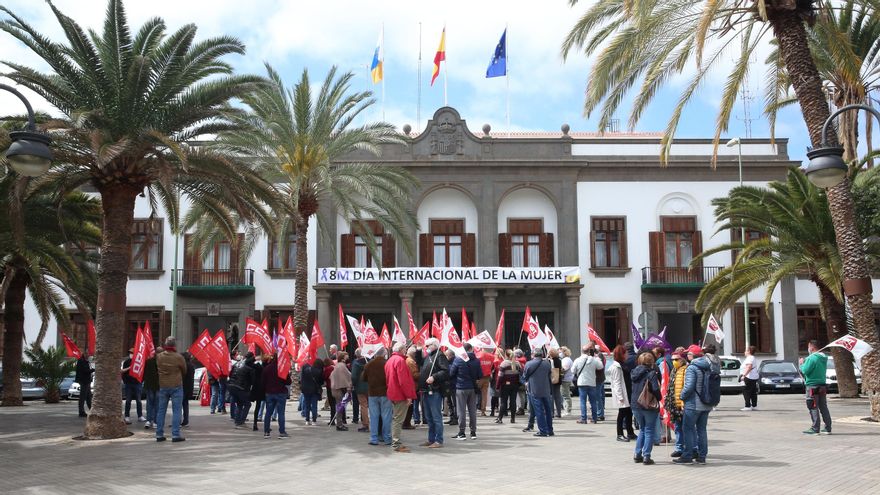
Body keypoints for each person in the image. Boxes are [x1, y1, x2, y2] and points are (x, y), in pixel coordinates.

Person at [676, 344, 721, 464]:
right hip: (707, 403)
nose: (686, 355)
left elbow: (689, 386)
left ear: (693, 355)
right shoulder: (709, 366)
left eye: (688, 354)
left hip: (693, 403)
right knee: (702, 430)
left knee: (688, 429)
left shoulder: (692, 367)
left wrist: (681, 396)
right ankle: (702, 457)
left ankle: (688, 455)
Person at [386, 343, 417, 452]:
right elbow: (403, 381)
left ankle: (396, 442)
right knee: (398, 420)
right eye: (404, 349)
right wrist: (408, 396)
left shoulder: (390, 360)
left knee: (396, 419)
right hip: (400, 394)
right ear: (401, 350)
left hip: (393, 393)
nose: (405, 350)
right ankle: (396, 444)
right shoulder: (400, 361)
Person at [418, 338, 449, 448]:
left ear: (435, 345)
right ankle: (431, 439)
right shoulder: (428, 356)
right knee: (429, 417)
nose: (426, 348)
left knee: (436, 417)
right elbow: (419, 362)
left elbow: (445, 371)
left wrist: (434, 377)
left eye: (428, 345)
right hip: (426, 390)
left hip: (434, 390)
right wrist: (418, 350)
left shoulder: (439, 355)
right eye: (425, 346)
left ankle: (438, 440)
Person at [155, 337, 187, 442]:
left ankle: (159, 434)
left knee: (161, 411)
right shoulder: (179, 357)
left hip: (163, 385)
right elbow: (184, 370)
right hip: (176, 385)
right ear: (174, 345)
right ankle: (175, 434)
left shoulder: (159, 357)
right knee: (177, 411)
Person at [630, 352, 661, 464]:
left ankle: (637, 454)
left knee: (642, 429)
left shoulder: (634, 372)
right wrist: (660, 398)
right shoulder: (651, 373)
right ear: (651, 362)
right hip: (648, 404)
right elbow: (655, 389)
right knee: (649, 430)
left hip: (635, 404)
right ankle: (646, 455)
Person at [449, 343, 483, 440]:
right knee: (472, 410)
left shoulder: (458, 359)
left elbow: (451, 373)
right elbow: (480, 375)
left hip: (460, 387)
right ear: (471, 349)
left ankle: (462, 432)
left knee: (461, 410)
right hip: (472, 387)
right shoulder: (476, 361)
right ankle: (473, 432)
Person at [800, 340, 832, 435]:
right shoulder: (823, 357)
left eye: (809, 347)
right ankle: (828, 427)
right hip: (822, 385)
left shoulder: (812, 358)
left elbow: (805, 371)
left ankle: (815, 428)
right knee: (823, 406)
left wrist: (802, 363)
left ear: (812, 347)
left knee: (813, 406)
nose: (808, 349)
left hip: (812, 385)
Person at [363, 348, 392, 446]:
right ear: (384, 354)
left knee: (374, 417)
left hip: (372, 393)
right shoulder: (387, 364)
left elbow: (363, 378)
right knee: (386, 416)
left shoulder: (369, 364)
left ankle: (374, 438)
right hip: (385, 393)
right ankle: (387, 438)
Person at [523, 347, 554, 437]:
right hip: (546, 389)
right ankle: (550, 430)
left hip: (534, 390)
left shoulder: (529, 364)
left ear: (533, 354)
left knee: (539, 411)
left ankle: (543, 431)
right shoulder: (547, 363)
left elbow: (525, 376)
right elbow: (549, 374)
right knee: (548, 410)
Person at [261, 353, 291, 439]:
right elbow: (288, 382)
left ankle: (266, 432)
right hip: (281, 392)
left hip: (269, 393)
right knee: (281, 413)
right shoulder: (282, 368)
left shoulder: (267, 368)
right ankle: (282, 432)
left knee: (268, 413)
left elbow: (262, 382)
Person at [571, 344, 604, 424]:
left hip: (582, 383)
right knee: (593, 401)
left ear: (582, 351)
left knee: (583, 401)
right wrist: (597, 358)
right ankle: (594, 418)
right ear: (589, 351)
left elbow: (572, 371)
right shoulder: (594, 360)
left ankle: (583, 418)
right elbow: (601, 367)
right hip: (592, 382)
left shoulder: (577, 360)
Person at [609, 344, 635, 442]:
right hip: (623, 393)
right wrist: (620, 396)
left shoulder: (622, 364)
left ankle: (630, 432)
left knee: (629, 413)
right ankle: (619, 434)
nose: (627, 354)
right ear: (622, 354)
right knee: (622, 413)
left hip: (627, 391)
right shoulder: (616, 367)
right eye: (626, 353)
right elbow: (616, 382)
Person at [666, 348, 689, 457]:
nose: (674, 361)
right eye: (672, 359)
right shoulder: (673, 371)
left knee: (688, 428)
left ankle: (691, 448)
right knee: (677, 427)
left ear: (682, 360)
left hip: (683, 405)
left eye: (676, 359)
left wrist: (684, 402)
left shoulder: (687, 369)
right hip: (674, 404)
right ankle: (679, 447)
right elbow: (670, 387)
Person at [227, 352, 256, 427]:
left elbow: (230, 374)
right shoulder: (249, 368)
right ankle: (241, 421)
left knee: (239, 404)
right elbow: (253, 381)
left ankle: (237, 421)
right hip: (240, 387)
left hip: (231, 385)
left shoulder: (237, 364)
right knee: (247, 404)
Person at [494, 350, 521, 424]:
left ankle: (500, 418)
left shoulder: (504, 363)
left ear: (506, 355)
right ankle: (513, 418)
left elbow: (500, 376)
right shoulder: (518, 363)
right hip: (515, 385)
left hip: (505, 385)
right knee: (513, 401)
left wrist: (497, 386)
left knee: (503, 402)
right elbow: (520, 374)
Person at [120, 348, 145, 424]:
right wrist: (126, 381)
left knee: (138, 400)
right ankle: (127, 416)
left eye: (132, 353)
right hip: (128, 384)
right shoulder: (126, 362)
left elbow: (142, 372)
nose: (131, 354)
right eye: (130, 353)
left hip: (137, 383)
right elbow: (123, 372)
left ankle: (140, 416)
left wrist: (140, 381)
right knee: (128, 400)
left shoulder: (139, 361)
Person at [330, 351, 352, 431]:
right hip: (339, 389)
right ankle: (339, 424)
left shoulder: (337, 366)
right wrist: (349, 385)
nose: (348, 357)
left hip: (336, 388)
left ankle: (340, 423)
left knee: (339, 407)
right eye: (346, 356)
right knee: (340, 407)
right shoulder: (342, 366)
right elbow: (348, 376)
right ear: (343, 357)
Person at [300, 357, 324, 426]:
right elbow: (321, 381)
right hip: (315, 390)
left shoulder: (305, 367)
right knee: (314, 405)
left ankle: (307, 420)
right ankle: (314, 420)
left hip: (306, 389)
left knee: (307, 405)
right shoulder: (319, 370)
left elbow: (302, 378)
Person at [351, 349, 370, 432]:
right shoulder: (369, 362)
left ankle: (365, 424)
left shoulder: (356, 364)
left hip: (360, 386)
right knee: (371, 405)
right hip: (369, 386)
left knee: (363, 405)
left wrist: (353, 384)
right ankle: (373, 423)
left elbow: (354, 377)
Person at [403, 347, 420, 429]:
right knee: (410, 406)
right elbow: (414, 374)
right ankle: (406, 423)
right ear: (413, 354)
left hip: (409, 385)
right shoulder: (411, 361)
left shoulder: (406, 360)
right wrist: (422, 374)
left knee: (409, 405)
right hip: (412, 385)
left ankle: (406, 422)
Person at [475, 346, 495, 416]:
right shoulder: (491, 356)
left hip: (478, 378)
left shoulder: (477, 355)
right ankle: (483, 411)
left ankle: (473, 410)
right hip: (487, 377)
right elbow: (493, 367)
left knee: (473, 394)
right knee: (484, 395)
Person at [740, 345, 760, 411]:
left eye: (746, 350)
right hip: (752, 377)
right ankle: (754, 405)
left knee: (746, 391)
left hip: (749, 377)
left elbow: (749, 367)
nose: (744, 352)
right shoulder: (752, 357)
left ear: (748, 351)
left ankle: (747, 405)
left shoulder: (749, 358)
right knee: (753, 392)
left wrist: (744, 376)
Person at [142, 354, 159, 429]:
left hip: (149, 385)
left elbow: (143, 372)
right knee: (157, 404)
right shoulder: (161, 363)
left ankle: (149, 420)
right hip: (158, 386)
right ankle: (155, 421)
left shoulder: (147, 362)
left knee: (149, 403)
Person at [548, 348, 564, 418]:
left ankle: (551, 413)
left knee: (551, 396)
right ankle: (559, 412)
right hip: (558, 379)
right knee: (557, 396)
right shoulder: (559, 361)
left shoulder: (550, 361)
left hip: (552, 379)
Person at [181, 352, 195, 427]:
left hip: (183, 386)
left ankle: (178, 420)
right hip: (189, 387)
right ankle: (185, 420)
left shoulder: (184, 365)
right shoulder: (192, 365)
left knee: (179, 404)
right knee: (185, 404)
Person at [559, 346, 574, 416]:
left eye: (560, 352)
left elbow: (563, 369)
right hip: (566, 379)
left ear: (564, 352)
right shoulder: (565, 359)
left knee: (566, 395)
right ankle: (566, 409)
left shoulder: (567, 360)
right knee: (564, 394)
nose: (559, 353)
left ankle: (568, 410)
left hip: (565, 379)